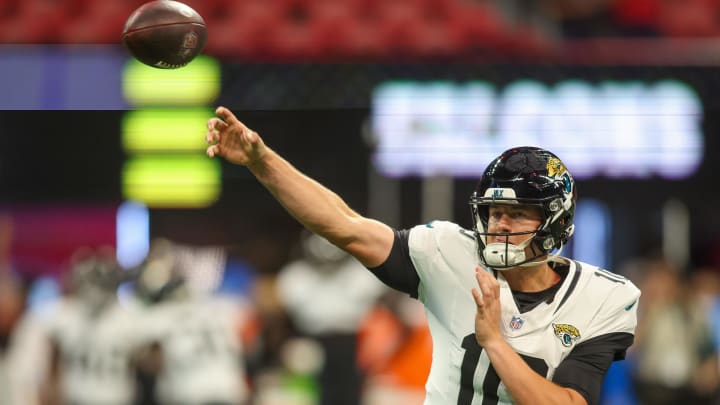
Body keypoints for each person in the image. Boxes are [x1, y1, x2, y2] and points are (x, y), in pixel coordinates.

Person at [204, 106, 641, 405]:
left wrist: (494, 342)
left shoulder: (603, 297)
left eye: (518, 214)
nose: (501, 225)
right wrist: (261, 162)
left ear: (555, 221)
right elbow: (343, 224)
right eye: (494, 213)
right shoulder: (450, 253)